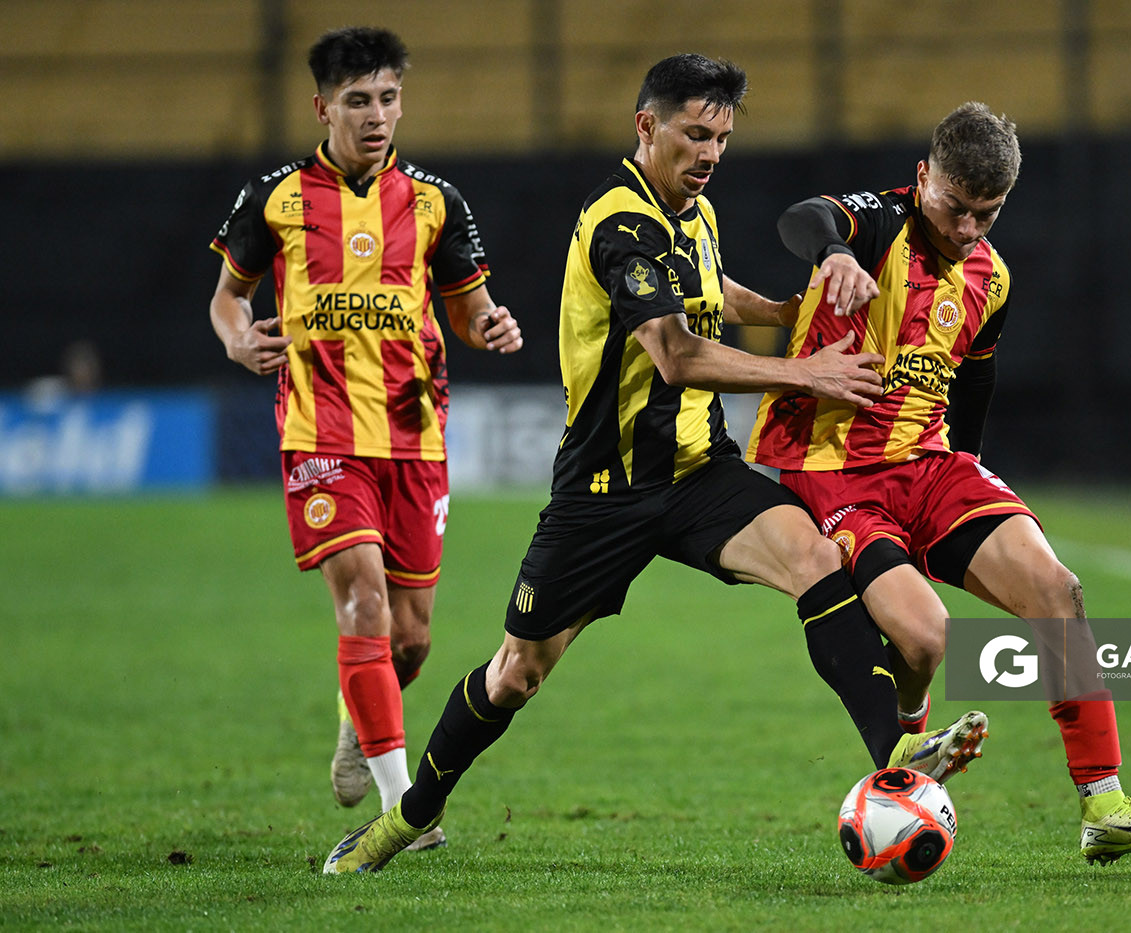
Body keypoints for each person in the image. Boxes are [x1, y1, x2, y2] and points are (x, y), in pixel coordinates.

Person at [323, 53, 988, 874]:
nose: (710, 153)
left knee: (819, 559)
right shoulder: (619, 223)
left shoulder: (694, 212)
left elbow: (710, 292)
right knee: (516, 674)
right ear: (648, 126)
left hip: (701, 473)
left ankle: (896, 756)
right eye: (696, 134)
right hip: (604, 491)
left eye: (723, 138)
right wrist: (804, 371)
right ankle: (406, 818)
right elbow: (673, 351)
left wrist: (782, 312)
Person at [746, 102, 1131, 864]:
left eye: (986, 215)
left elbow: (973, 382)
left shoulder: (992, 277)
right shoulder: (876, 225)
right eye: (955, 208)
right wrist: (832, 255)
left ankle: (1105, 803)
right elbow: (804, 216)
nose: (967, 230)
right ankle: (909, 734)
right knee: (924, 639)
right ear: (923, 178)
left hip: (933, 467)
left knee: (1059, 590)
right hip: (837, 472)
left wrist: (965, 504)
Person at [209, 26, 524, 851]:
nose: (377, 115)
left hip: (415, 439)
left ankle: (361, 715)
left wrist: (489, 325)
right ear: (323, 106)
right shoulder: (274, 198)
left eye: (388, 98)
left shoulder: (435, 201)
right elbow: (226, 299)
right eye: (359, 101)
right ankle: (406, 812)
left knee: (409, 637)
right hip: (320, 433)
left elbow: (466, 306)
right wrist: (239, 339)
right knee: (361, 602)